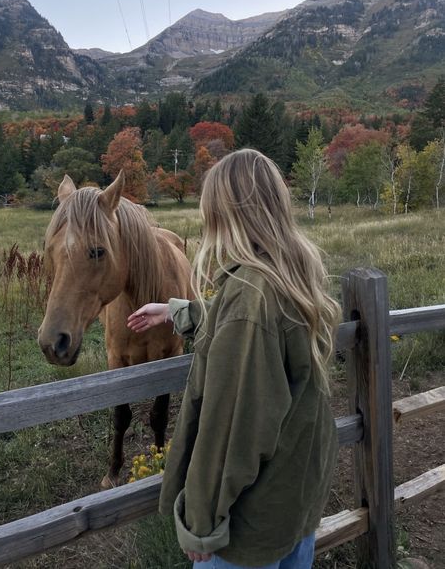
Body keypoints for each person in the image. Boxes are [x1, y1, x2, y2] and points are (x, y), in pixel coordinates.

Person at [127, 148, 341, 569]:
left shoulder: (250, 295)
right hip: (294, 497)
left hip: (246, 527)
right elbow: (261, 335)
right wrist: (180, 312)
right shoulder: (294, 271)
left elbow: (231, 431)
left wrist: (202, 522)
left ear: (227, 214)